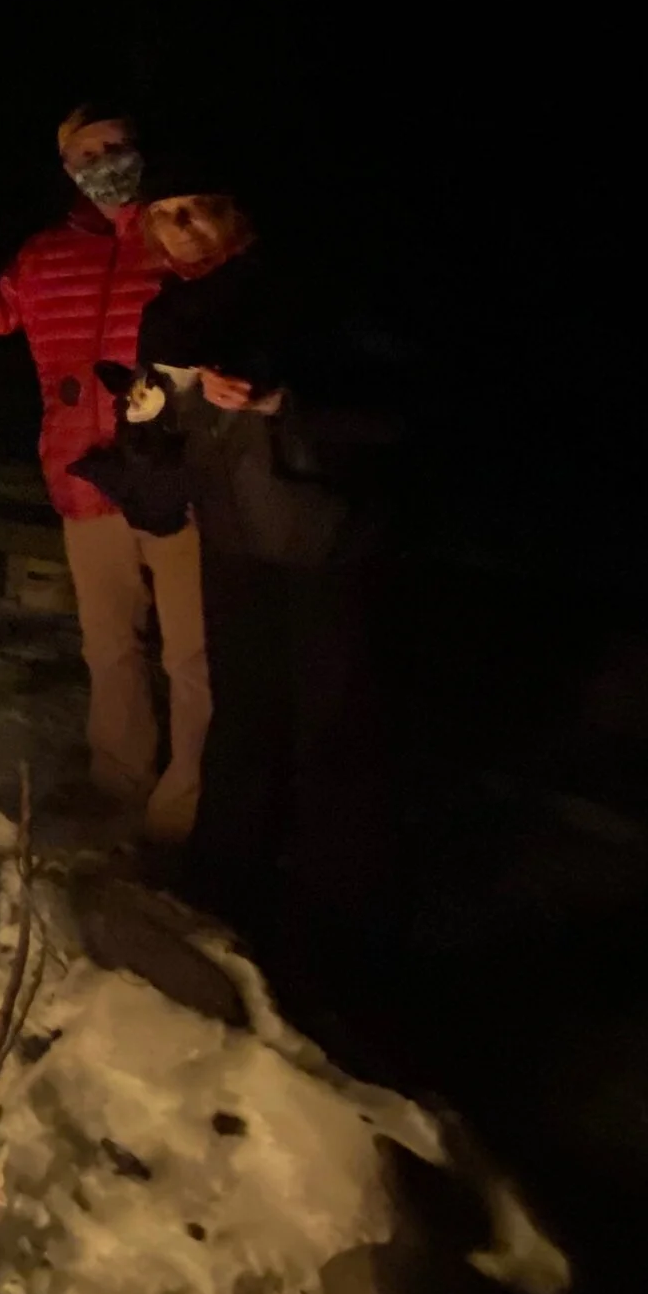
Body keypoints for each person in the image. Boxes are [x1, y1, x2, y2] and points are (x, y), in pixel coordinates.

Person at [133, 171, 403, 1004]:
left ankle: (334, 923)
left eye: (194, 210)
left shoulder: (309, 294)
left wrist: (286, 401)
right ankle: (223, 894)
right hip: (235, 540)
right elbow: (163, 422)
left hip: (325, 540)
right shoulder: (170, 311)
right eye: (164, 216)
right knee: (242, 715)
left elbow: (391, 406)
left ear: (232, 213)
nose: (181, 228)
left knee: (332, 728)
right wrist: (154, 414)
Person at [0, 105, 210, 842]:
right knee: (110, 648)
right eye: (88, 152)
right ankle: (119, 791)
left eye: (117, 145)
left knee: (191, 654)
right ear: (67, 167)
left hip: (175, 482)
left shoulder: (180, 235)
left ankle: (188, 809)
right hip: (84, 478)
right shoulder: (47, 253)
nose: (105, 160)